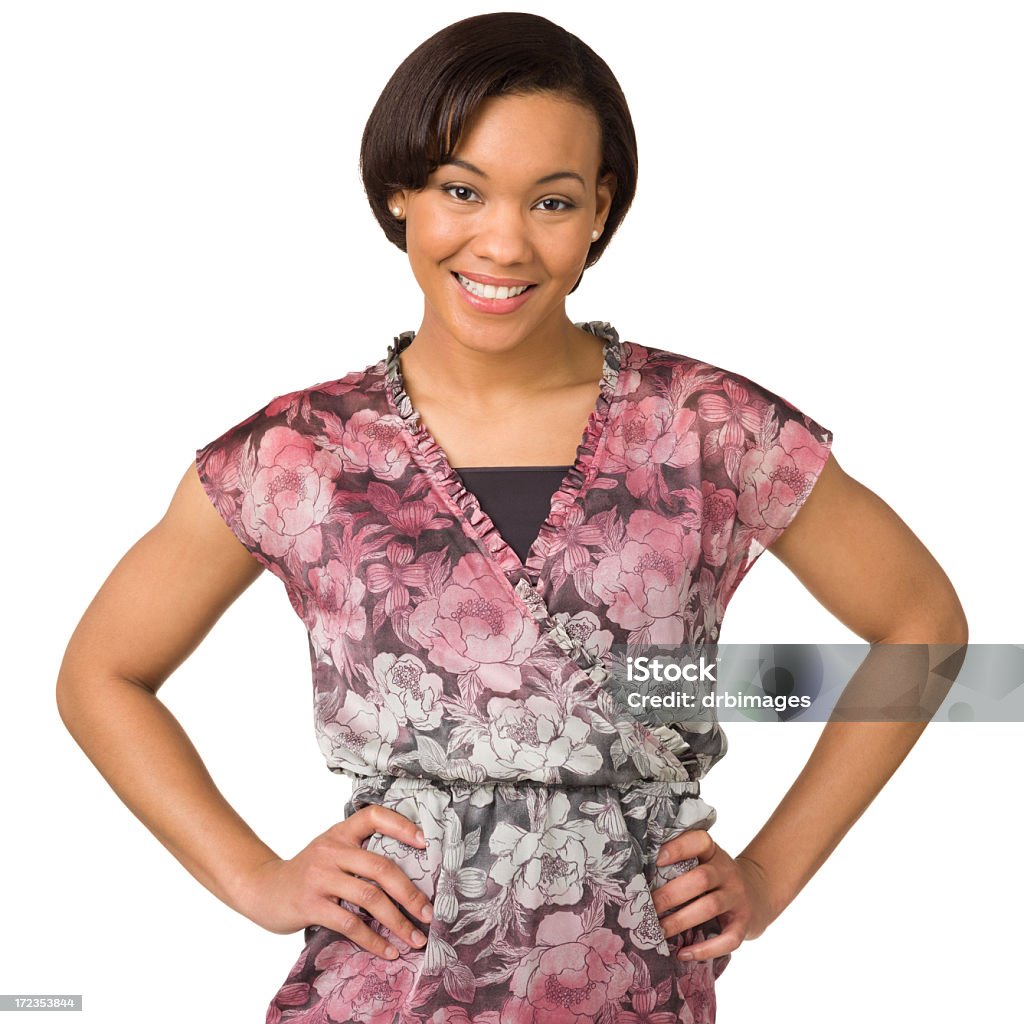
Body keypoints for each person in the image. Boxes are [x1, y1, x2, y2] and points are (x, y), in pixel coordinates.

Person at [55, 12, 968, 1024]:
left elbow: (921, 627)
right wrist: (254, 878)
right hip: (381, 989)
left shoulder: (707, 429)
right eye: (459, 189)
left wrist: (772, 872)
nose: (501, 240)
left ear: (597, 215)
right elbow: (101, 675)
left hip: (634, 986)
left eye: (550, 200)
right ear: (398, 195)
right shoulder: (300, 453)